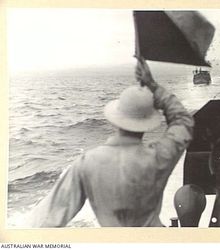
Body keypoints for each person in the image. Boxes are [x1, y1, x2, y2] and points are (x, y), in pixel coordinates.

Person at [26, 58, 194, 227]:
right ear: (148, 123)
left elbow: (48, 220)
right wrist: (154, 87)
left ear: (115, 120)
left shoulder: (87, 162)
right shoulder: (158, 157)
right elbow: (183, 121)